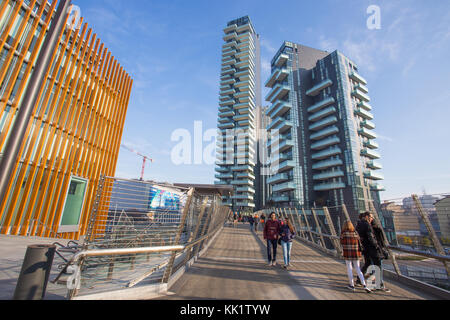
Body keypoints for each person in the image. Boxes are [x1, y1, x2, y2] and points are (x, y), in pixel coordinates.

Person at [340, 220, 372, 293]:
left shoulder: (343, 234)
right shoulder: (355, 233)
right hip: (356, 253)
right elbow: (359, 242)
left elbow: (341, 242)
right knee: (358, 268)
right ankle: (364, 284)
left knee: (349, 268)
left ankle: (352, 285)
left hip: (347, 253)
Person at [371, 218, 391, 293]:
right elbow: (382, 241)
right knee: (378, 267)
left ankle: (377, 284)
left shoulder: (370, 230)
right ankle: (379, 284)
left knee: (374, 267)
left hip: (373, 251)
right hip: (378, 251)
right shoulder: (378, 230)